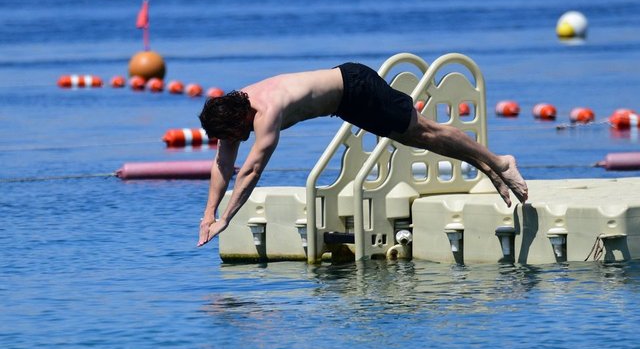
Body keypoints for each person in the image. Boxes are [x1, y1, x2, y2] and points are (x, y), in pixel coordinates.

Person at [197, 62, 528, 247]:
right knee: (420, 140)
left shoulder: (267, 111)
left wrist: (227, 218)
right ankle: (488, 167)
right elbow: (223, 163)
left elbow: (251, 170)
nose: (236, 141)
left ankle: (500, 162)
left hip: (357, 88)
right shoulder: (234, 109)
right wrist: (208, 214)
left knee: (426, 132)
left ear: (242, 118)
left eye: (235, 134)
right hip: (345, 103)